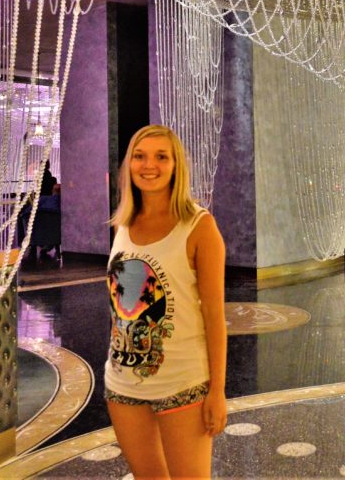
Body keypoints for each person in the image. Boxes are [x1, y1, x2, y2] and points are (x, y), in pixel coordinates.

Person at [104, 125, 227, 479]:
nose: (149, 165)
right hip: (123, 384)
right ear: (129, 165)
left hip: (183, 385)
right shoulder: (123, 224)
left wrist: (216, 391)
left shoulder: (198, 226)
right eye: (139, 156)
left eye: (161, 156)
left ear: (176, 166)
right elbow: (118, 305)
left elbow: (215, 318)